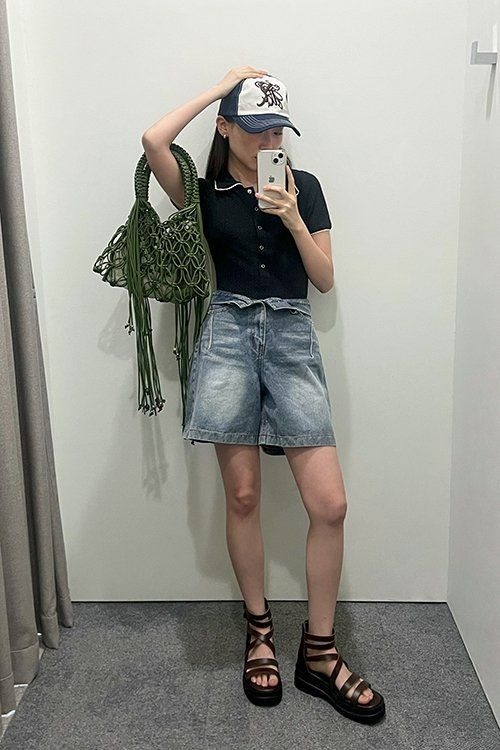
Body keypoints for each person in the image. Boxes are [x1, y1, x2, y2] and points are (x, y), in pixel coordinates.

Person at [141, 66, 385, 724]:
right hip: (227, 334)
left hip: (290, 336)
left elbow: (324, 279)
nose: (271, 139)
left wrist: (294, 219)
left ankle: (319, 653)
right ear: (227, 128)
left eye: (278, 128)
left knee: (329, 504)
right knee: (243, 496)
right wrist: (219, 85)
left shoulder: (304, 186)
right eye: (256, 128)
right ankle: (259, 633)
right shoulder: (203, 191)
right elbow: (154, 140)